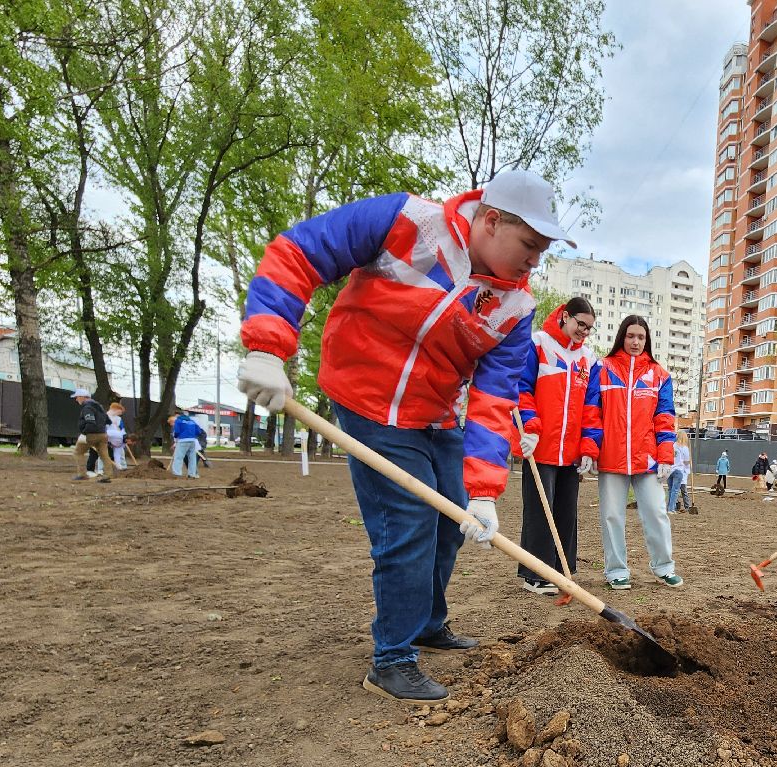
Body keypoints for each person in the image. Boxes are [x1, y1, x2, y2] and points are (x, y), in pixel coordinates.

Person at [236, 169, 572, 700]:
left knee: (451, 520)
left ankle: (427, 624)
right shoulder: (407, 221)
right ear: (490, 220)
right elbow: (300, 252)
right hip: (366, 396)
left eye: (542, 250)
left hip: (434, 413)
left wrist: (484, 492)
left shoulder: (515, 309)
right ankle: (392, 658)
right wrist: (267, 346)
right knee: (409, 524)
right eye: (529, 245)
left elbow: (494, 398)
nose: (535, 261)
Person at [579, 315, 683, 589]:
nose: (635, 342)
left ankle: (663, 566)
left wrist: (665, 455)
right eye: (631, 336)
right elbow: (592, 413)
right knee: (612, 515)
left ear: (647, 340)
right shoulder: (602, 368)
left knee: (657, 513)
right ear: (622, 337)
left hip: (646, 460)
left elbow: (664, 417)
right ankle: (616, 570)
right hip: (611, 458)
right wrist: (589, 449)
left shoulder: (659, 375)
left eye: (641, 337)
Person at [516, 296, 595, 596]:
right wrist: (530, 428)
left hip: (571, 452)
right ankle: (534, 574)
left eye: (589, 328)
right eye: (580, 324)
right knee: (539, 509)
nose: (584, 332)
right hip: (541, 446)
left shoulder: (588, 359)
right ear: (565, 316)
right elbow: (522, 389)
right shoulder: (537, 345)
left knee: (566, 510)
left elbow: (591, 407)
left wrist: (589, 447)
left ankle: (562, 570)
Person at [70, 388, 114, 483]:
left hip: (91, 434)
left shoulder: (87, 408)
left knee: (78, 452)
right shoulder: (99, 407)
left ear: (83, 397)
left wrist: (84, 433)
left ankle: (82, 474)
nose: (76, 399)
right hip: (103, 434)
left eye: (77, 397)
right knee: (104, 455)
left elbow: (90, 422)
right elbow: (108, 421)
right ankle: (108, 475)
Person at [170, 409, 206, 478]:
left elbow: (177, 431)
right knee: (192, 458)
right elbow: (198, 431)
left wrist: (176, 436)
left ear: (177, 415)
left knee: (178, 457)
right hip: (192, 441)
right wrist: (192, 435)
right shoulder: (192, 421)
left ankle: (177, 473)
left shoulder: (178, 421)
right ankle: (192, 474)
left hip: (182, 441)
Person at [667, 439, 693, 513]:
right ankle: (671, 509)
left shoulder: (671, 446)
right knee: (676, 491)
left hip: (670, 470)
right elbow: (686, 461)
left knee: (671, 490)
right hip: (679, 471)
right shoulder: (684, 448)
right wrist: (689, 462)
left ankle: (670, 507)